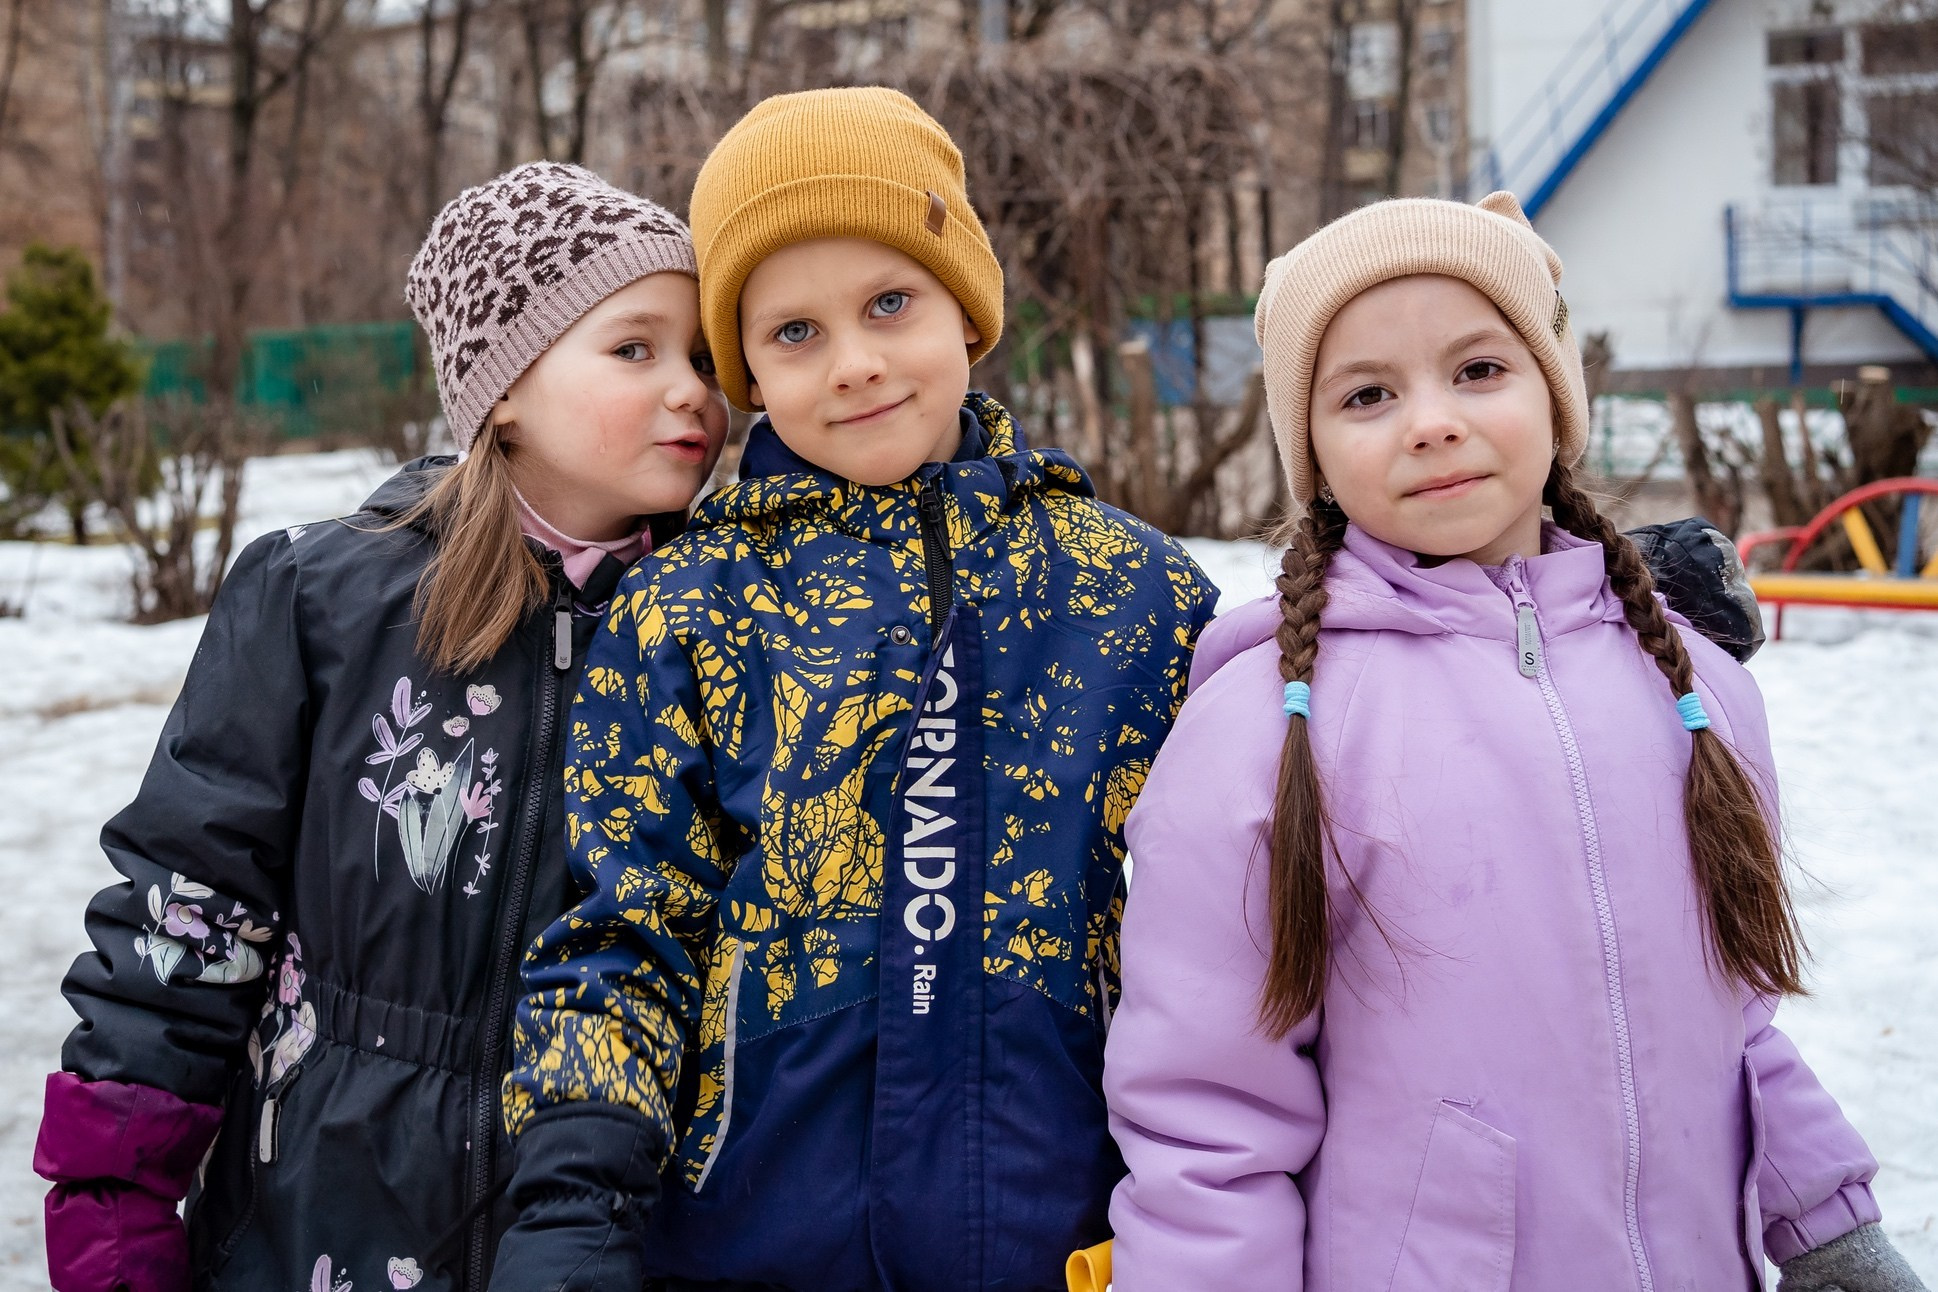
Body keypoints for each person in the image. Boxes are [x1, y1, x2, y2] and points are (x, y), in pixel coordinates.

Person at [1100, 192, 1927, 1292]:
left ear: (1557, 392)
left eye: (1479, 370)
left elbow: (1733, 1025)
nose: (1431, 420)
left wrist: (1831, 1226)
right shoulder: (1269, 727)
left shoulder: (1693, 687)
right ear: (1310, 446)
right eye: (1367, 393)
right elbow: (1210, 1124)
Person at [486, 87, 1219, 1292]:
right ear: (746, 371)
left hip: (1053, 1227)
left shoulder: (1135, 592)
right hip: (756, 1236)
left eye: (891, 302)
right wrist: (571, 1210)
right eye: (794, 333)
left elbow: (1221, 929)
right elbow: (625, 926)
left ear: (968, 312)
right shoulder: (691, 605)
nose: (856, 363)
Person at [33, 161, 726, 1292]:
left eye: (703, 356)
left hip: (607, 1230)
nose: (693, 389)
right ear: (504, 385)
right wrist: (116, 1206)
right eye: (635, 348)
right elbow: (187, 915)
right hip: (320, 1221)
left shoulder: (713, 627)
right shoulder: (324, 602)